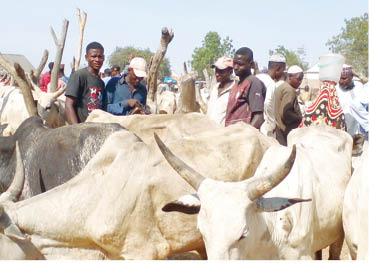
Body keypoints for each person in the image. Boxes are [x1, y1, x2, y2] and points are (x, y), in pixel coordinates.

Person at [65, 41, 105, 124]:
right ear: (87, 57)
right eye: (93, 56)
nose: (97, 60)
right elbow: (69, 105)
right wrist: (76, 130)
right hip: (82, 128)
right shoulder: (79, 76)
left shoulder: (101, 82)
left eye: (100, 56)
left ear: (103, 58)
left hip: (97, 128)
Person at [225, 47, 266, 128]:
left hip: (243, 137)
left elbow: (258, 118)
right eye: (235, 63)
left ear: (251, 64)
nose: (236, 67)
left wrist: (246, 136)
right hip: (232, 135)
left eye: (240, 64)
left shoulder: (253, 83)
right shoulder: (237, 84)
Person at [257, 54, 286, 136]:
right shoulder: (270, 83)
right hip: (264, 127)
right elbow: (268, 103)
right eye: (283, 71)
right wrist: (271, 125)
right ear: (278, 69)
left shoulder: (257, 77)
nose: (282, 73)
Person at [274, 65, 304, 146]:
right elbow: (285, 113)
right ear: (290, 76)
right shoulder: (289, 90)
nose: (300, 82)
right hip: (284, 132)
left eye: (301, 80)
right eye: (298, 79)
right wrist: (300, 118)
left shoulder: (281, 87)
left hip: (278, 129)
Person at [336, 64, 368, 136]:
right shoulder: (335, 90)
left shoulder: (359, 87)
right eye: (339, 78)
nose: (341, 81)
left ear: (351, 77)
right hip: (342, 131)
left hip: (359, 130)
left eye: (344, 78)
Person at [207, 56, 235, 126]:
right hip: (208, 131)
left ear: (230, 72)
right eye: (216, 70)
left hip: (225, 134)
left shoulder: (235, 89)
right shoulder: (215, 89)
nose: (217, 74)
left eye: (221, 71)